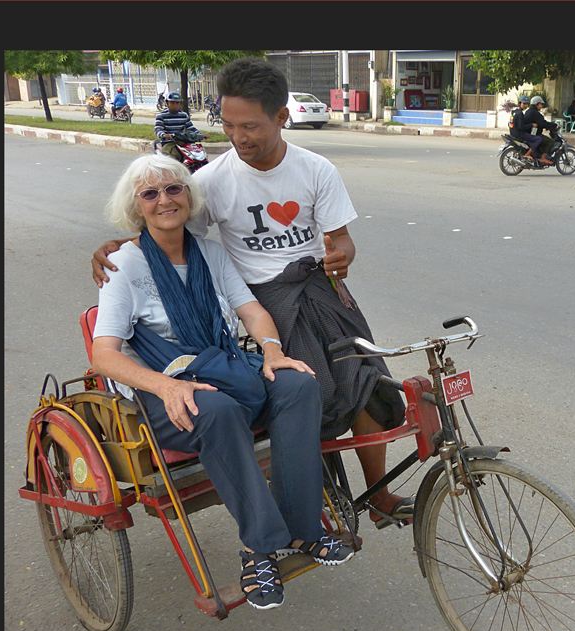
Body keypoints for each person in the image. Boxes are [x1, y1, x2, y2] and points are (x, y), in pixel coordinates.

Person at [92, 58, 414, 529]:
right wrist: (120, 244)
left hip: (322, 290)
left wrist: (342, 254)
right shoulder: (211, 180)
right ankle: (315, 499)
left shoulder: (316, 169)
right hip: (267, 302)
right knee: (313, 394)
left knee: (367, 382)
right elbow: (170, 231)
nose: (239, 137)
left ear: (282, 117)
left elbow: (340, 237)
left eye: (250, 126)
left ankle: (378, 495)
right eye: (227, 124)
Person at [92, 153, 353, 611]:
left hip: (223, 369)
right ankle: (259, 549)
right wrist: (168, 387)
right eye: (150, 194)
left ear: (189, 197)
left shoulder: (210, 253)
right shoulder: (124, 267)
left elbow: (249, 309)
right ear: (136, 208)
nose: (164, 200)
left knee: (297, 385)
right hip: (164, 394)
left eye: (174, 189)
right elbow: (104, 355)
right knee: (218, 410)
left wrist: (273, 350)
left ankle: (303, 528)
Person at [155, 91, 202, 163]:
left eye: (177, 103)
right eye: (172, 103)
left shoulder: (184, 115)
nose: (175, 105)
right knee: (171, 160)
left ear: (180, 103)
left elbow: (191, 128)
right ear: (167, 103)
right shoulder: (161, 116)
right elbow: (158, 130)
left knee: (195, 157)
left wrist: (201, 135)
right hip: (169, 142)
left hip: (182, 141)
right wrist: (164, 135)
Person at [524, 96, 558, 164]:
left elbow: (541, 123)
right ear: (537, 104)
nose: (541, 106)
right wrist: (554, 125)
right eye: (541, 104)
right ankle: (543, 158)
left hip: (529, 133)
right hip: (533, 135)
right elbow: (543, 123)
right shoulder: (535, 113)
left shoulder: (529, 111)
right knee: (550, 141)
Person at [509, 94, 541, 160]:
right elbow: (521, 126)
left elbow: (509, 123)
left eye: (527, 104)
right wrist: (532, 125)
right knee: (538, 139)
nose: (526, 105)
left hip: (513, 133)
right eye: (524, 104)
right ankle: (527, 154)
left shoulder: (514, 112)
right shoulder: (520, 113)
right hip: (519, 135)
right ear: (519, 103)